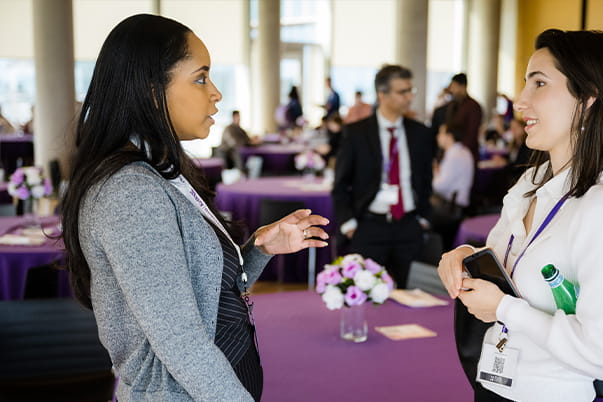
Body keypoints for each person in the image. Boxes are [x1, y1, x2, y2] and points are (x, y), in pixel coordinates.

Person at [60, 14, 329, 401]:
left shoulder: (157, 171)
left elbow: (200, 303)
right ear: (153, 91)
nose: (216, 93)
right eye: (201, 78)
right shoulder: (131, 192)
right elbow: (181, 342)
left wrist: (259, 249)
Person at [437, 29, 603, 402]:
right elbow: (512, 270)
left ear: (587, 99)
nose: (520, 101)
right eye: (525, 83)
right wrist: (465, 259)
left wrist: (505, 309)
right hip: (492, 384)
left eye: (539, 83)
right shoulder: (531, 183)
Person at [332, 64, 433, 289]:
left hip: (408, 227)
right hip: (369, 227)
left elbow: (425, 179)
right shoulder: (356, 133)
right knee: (364, 296)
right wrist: (349, 224)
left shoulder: (420, 132)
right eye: (402, 92)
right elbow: (340, 185)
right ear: (382, 94)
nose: (409, 97)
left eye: (411, 91)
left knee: (413, 296)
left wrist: (423, 219)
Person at [431, 122, 474, 249]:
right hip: (453, 205)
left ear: (449, 136)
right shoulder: (462, 151)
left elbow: (438, 186)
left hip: (451, 208)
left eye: (441, 133)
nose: (438, 137)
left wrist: (435, 171)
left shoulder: (455, 155)